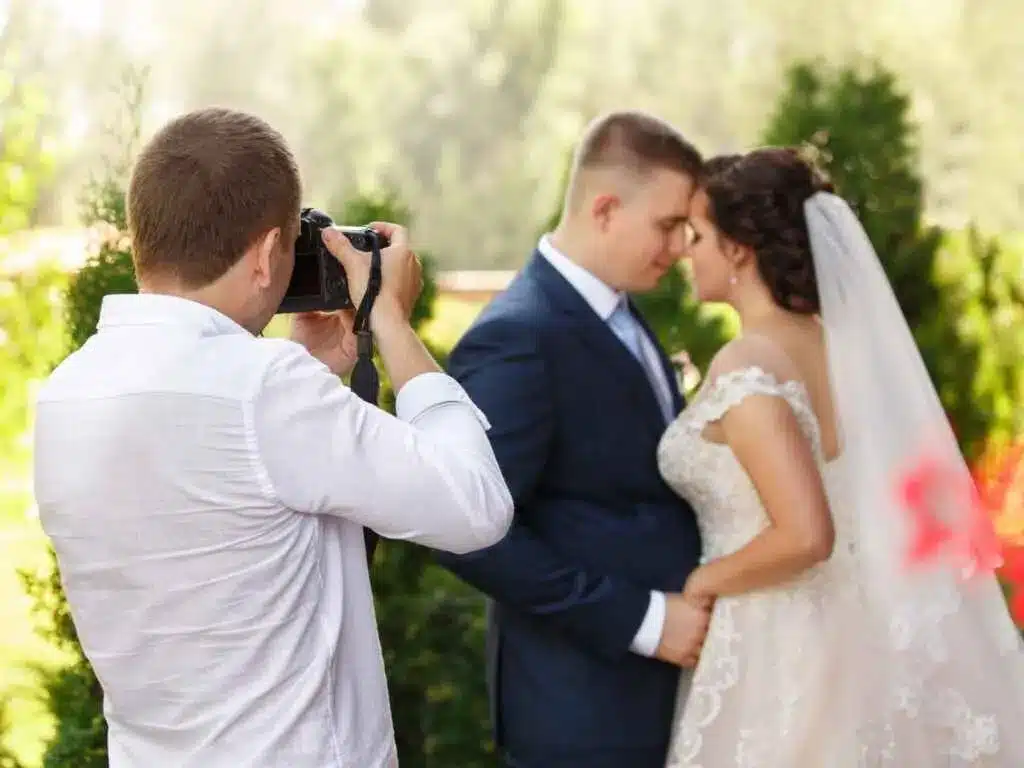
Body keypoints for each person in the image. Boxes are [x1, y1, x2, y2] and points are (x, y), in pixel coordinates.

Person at [31, 107, 513, 768]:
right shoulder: (263, 391)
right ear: (264, 255)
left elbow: (227, 510)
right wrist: (392, 324)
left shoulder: (66, 392)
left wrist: (311, 370)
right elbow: (477, 507)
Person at [660, 146, 1024, 766]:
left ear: (739, 249)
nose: (685, 251)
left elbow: (805, 533)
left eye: (698, 234)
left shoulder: (746, 364)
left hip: (774, 635)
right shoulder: (847, 350)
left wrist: (702, 582)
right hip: (858, 625)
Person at [434, 111, 710, 768]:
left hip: (653, 700)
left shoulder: (621, 310)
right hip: (580, 710)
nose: (680, 248)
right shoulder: (519, 336)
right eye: (669, 225)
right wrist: (642, 620)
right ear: (605, 208)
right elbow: (466, 529)